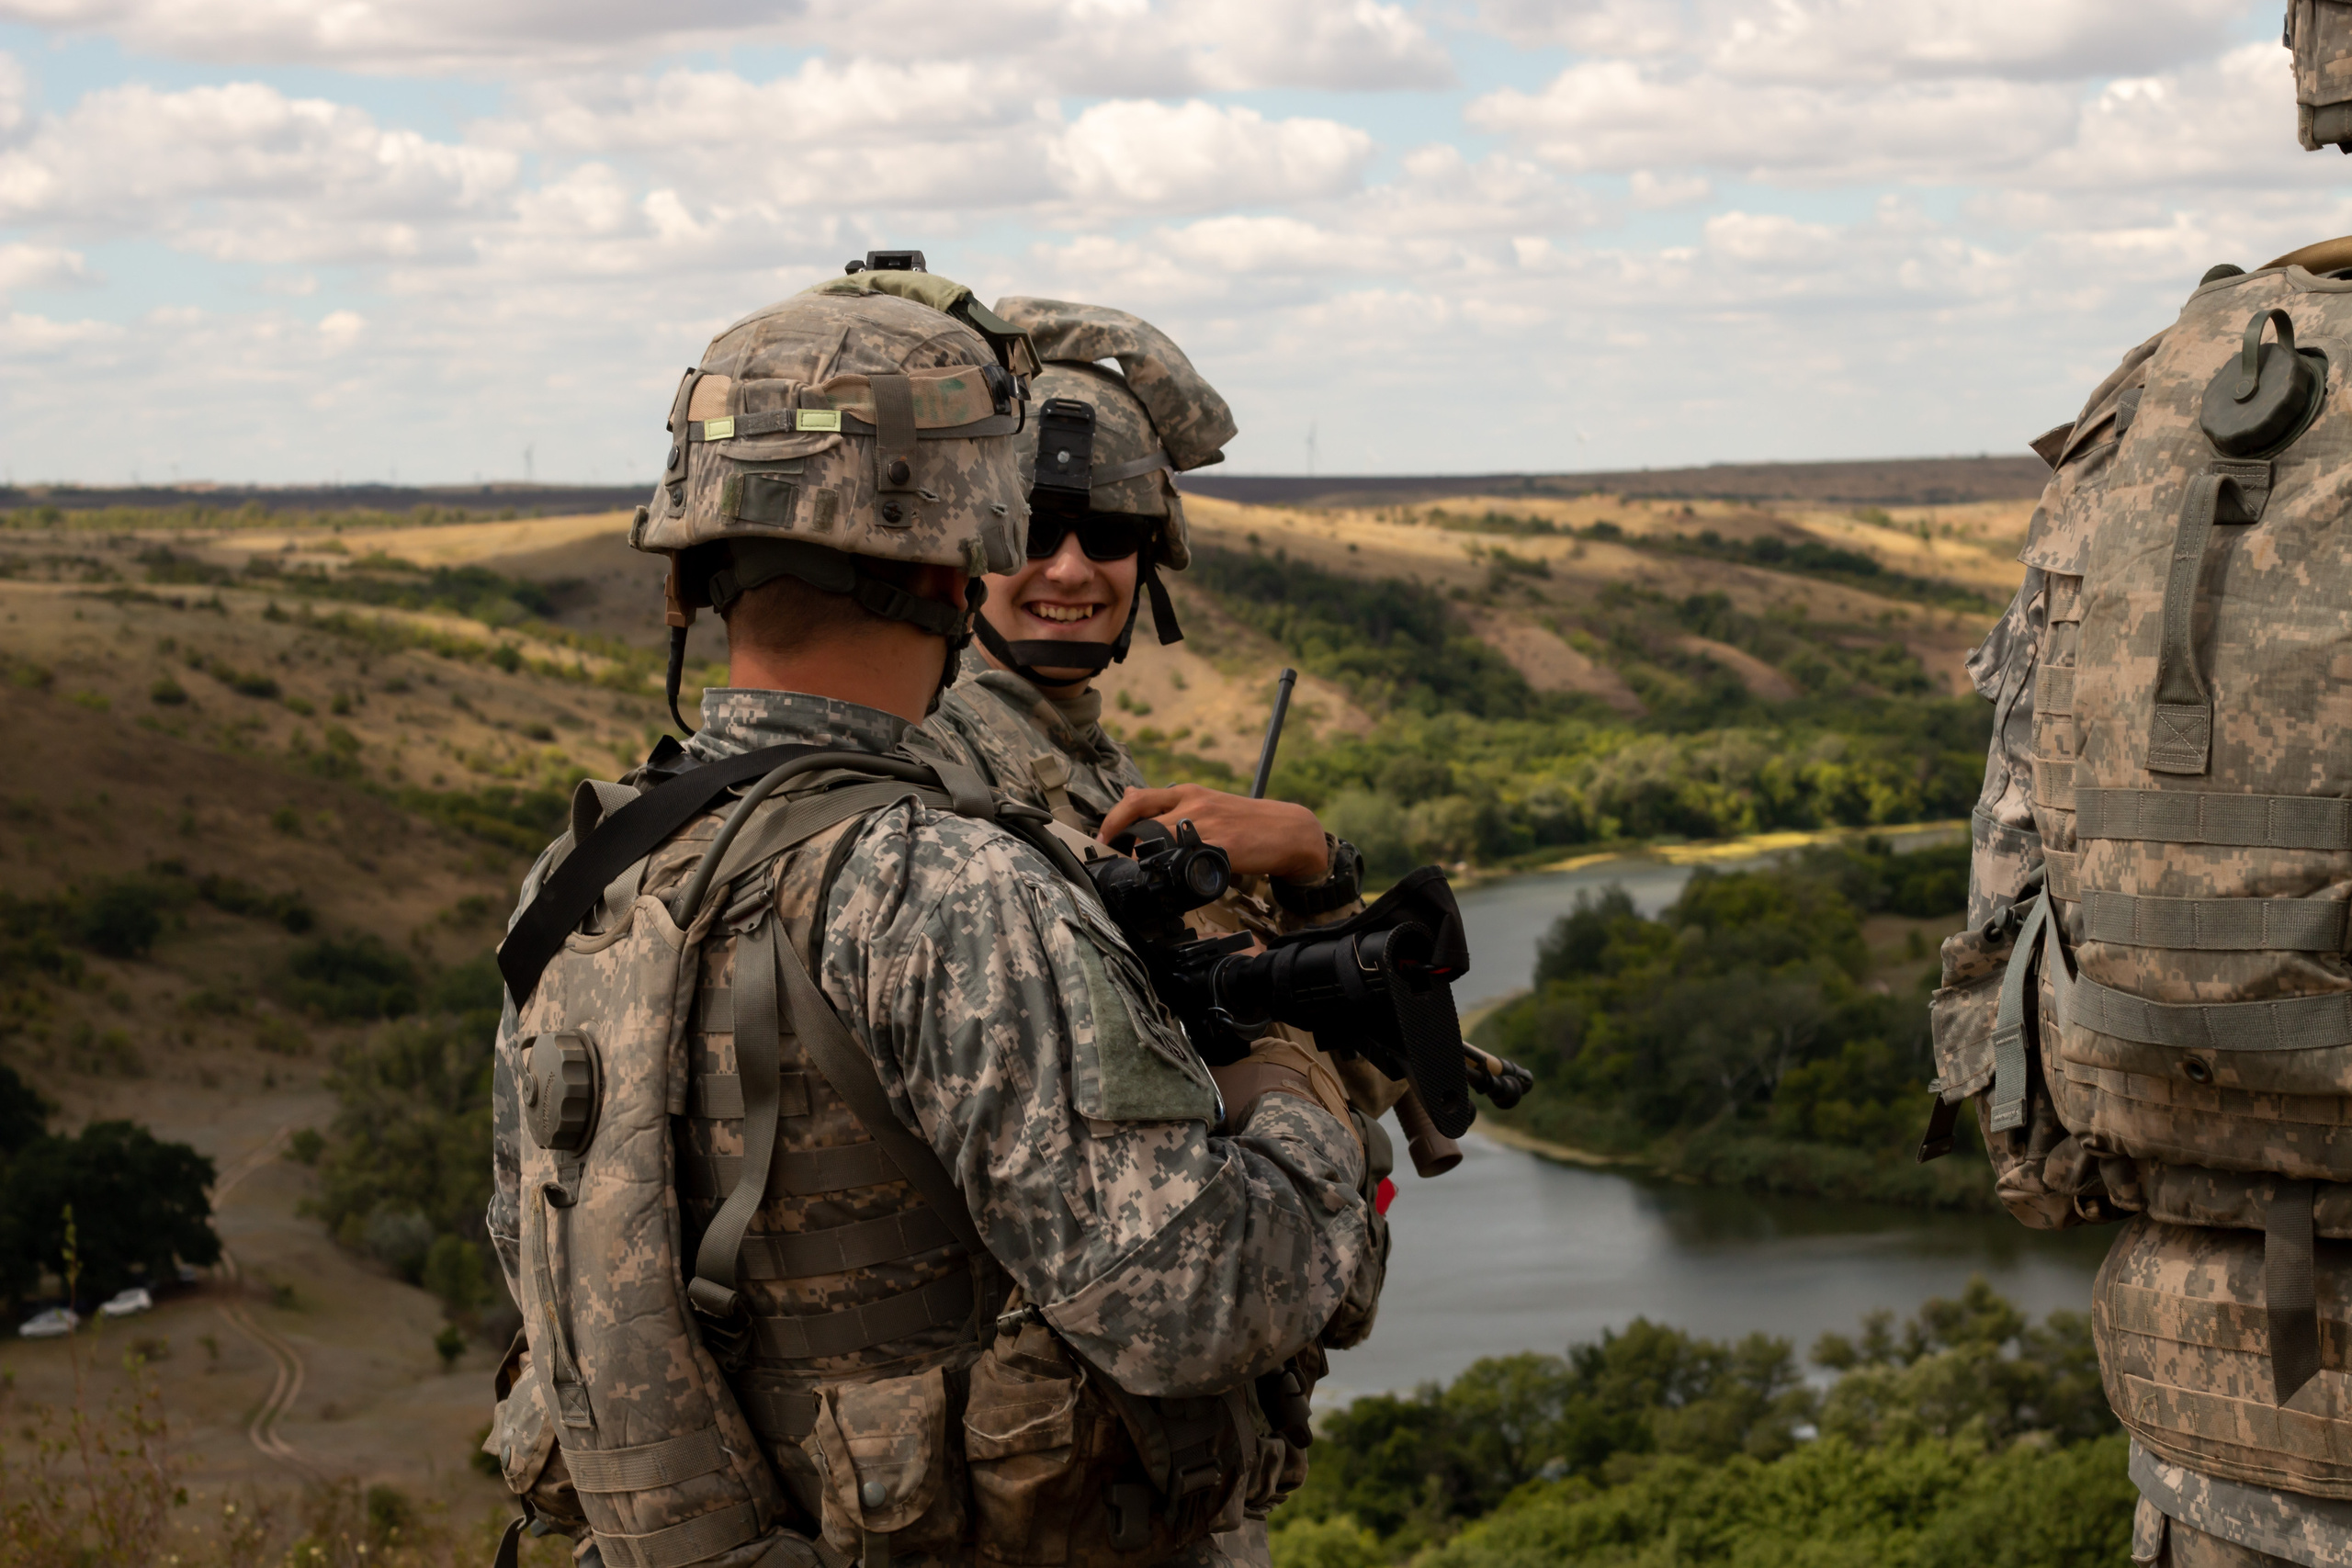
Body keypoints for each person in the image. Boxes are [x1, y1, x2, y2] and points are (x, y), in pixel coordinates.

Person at [482, 269, 1383, 1568]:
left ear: (692, 573)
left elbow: (531, 1246)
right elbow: (1196, 1301)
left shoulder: (574, 875)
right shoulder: (950, 886)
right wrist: (1299, 1087)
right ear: (962, 571)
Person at [916, 297, 1368, 941]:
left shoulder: (1092, 761)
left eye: (1108, 535)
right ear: (966, 547)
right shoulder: (932, 756)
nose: (1071, 570)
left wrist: (1311, 861)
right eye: (1032, 533)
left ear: (1147, 559)